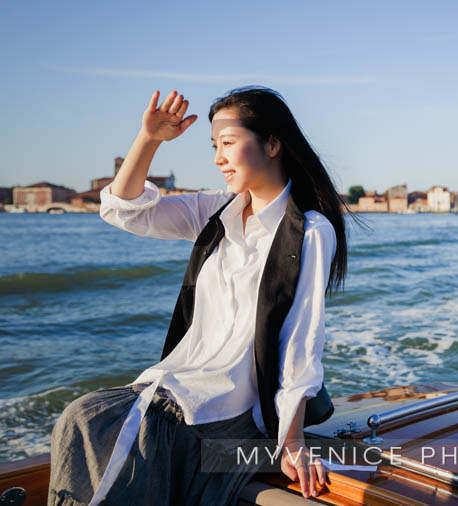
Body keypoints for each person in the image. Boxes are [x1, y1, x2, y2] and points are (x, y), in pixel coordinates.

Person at [48, 87, 349, 505]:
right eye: (214, 146)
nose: (217, 158)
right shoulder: (215, 211)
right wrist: (149, 138)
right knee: (81, 418)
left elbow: (301, 340)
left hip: (234, 408)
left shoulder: (309, 232)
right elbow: (123, 210)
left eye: (227, 143)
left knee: (142, 437)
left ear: (273, 144)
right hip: (180, 384)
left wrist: (293, 440)